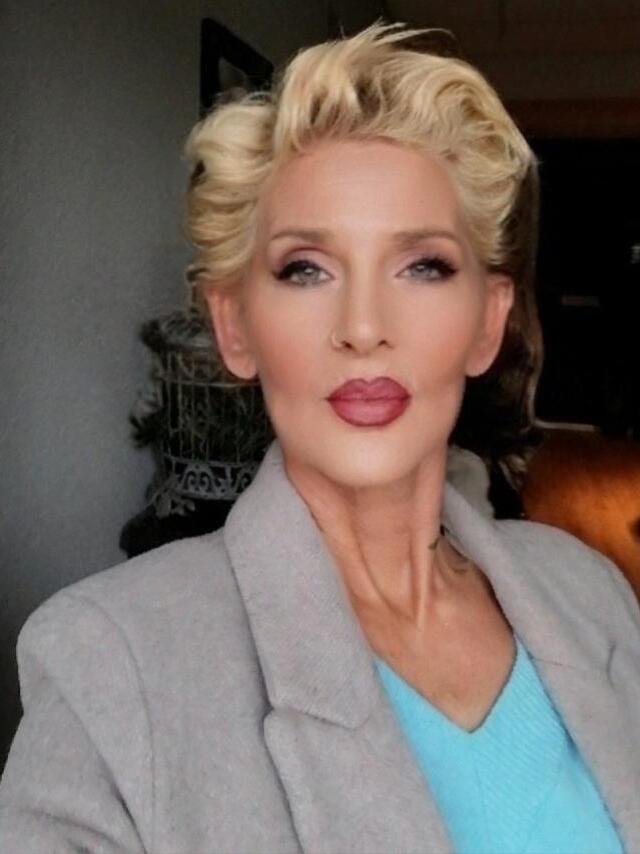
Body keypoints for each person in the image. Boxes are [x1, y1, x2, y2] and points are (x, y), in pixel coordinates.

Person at [1, 21, 639, 854]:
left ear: (488, 324)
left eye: (423, 266)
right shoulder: (108, 665)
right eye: (306, 268)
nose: (364, 327)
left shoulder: (591, 594)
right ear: (236, 326)